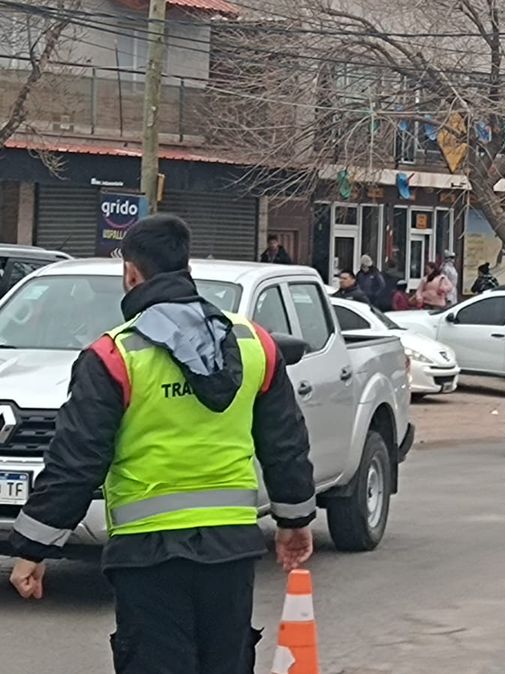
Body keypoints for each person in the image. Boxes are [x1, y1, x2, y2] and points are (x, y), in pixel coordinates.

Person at [8, 214, 315, 673]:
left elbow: (77, 462)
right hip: (229, 549)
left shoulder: (113, 356)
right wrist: (294, 521)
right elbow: (285, 444)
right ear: (185, 267)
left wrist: (33, 548)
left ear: (132, 274)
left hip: (146, 556)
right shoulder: (255, 344)